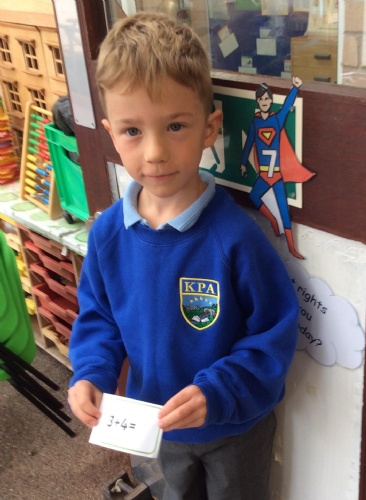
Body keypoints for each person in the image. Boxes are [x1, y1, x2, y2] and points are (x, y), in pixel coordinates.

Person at [67, 12, 299, 500]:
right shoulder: (108, 233)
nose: (154, 152)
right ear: (110, 132)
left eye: (175, 125)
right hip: (155, 427)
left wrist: (218, 392)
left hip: (235, 428)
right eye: (132, 131)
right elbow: (99, 318)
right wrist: (91, 373)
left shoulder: (237, 238)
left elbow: (272, 336)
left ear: (210, 127)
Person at [241, 77, 315, 260]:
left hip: (276, 175)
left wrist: (295, 88)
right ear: (257, 101)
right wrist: (243, 163)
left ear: (271, 100)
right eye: (261, 99)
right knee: (253, 196)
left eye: (267, 98)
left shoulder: (277, 119)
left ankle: (292, 248)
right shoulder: (256, 122)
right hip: (263, 175)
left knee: (284, 209)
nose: (264, 102)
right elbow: (249, 143)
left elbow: (287, 107)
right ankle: (273, 222)